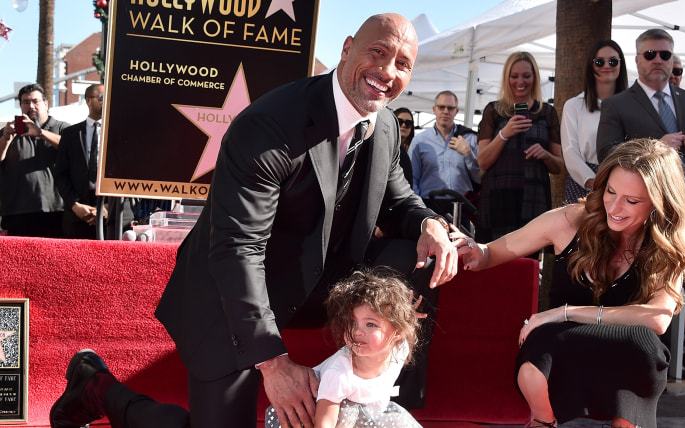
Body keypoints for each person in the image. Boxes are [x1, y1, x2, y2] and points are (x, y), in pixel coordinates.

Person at [49, 13, 458, 428]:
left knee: (418, 251)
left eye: (403, 63)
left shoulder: (385, 123)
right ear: (347, 47)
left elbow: (399, 201)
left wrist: (430, 224)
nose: (388, 71)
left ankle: (374, 389)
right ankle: (96, 388)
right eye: (378, 52)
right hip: (227, 296)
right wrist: (274, 363)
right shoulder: (271, 125)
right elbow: (237, 250)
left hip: (313, 286)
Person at [454, 138, 685, 428]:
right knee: (540, 346)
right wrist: (470, 248)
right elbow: (490, 252)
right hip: (560, 347)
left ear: (659, 203)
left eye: (631, 201)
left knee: (645, 344)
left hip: (624, 351)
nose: (615, 207)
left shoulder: (667, 245)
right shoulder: (570, 220)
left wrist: (564, 312)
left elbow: (657, 319)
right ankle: (543, 422)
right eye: (610, 191)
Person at [597, 28, 685, 398]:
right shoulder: (618, 105)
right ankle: (637, 370)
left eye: (664, 54)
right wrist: (652, 146)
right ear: (637, 59)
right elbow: (606, 153)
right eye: (650, 55)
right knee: (644, 294)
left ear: (673, 59)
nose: (658, 61)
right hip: (648, 217)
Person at [264, 267, 423, 428]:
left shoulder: (400, 348)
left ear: (397, 333)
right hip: (313, 416)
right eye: (352, 322)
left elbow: (407, 330)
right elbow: (325, 423)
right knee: (349, 410)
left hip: (364, 413)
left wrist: (406, 316)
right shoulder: (340, 373)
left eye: (370, 324)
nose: (358, 331)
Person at [476, 51, 562, 243]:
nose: (520, 81)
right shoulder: (494, 111)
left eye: (526, 76)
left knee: (527, 265)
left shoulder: (547, 113)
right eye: (514, 76)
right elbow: (482, 161)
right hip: (498, 199)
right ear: (507, 78)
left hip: (534, 199)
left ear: (535, 78)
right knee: (493, 264)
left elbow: (559, 166)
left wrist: (545, 155)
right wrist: (504, 134)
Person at [561, 40, 628, 205]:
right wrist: (593, 181)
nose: (607, 65)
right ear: (591, 66)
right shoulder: (574, 105)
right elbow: (570, 151)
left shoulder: (631, 106)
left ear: (621, 65)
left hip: (624, 183)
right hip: (583, 182)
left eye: (613, 61)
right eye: (599, 62)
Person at [0, 84, 69, 237]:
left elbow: (73, 150)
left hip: (56, 210)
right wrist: (5, 139)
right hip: (16, 212)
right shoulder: (9, 132)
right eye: (25, 102)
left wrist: (41, 133)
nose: (31, 106)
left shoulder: (62, 128)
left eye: (35, 101)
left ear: (46, 103)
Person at [408, 90, 480, 218]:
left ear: (456, 111)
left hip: (463, 206)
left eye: (450, 108)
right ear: (434, 109)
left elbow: (479, 179)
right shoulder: (420, 141)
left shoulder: (469, 139)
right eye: (441, 107)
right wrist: (419, 208)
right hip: (430, 206)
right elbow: (412, 179)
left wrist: (468, 153)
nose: (446, 111)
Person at [54, 84, 107, 239]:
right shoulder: (70, 134)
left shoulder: (118, 132)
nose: (105, 102)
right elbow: (61, 174)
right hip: (78, 211)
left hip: (110, 213)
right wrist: (74, 205)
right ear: (88, 101)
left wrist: (108, 207)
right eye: (101, 97)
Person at [393, 107, 415, 185]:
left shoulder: (414, 149)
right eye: (400, 121)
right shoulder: (389, 149)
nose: (404, 125)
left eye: (408, 123)